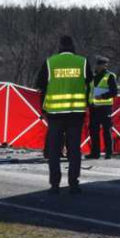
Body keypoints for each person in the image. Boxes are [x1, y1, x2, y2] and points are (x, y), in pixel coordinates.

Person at [37, 35, 91, 195]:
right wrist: (88, 104)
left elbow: (40, 86)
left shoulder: (50, 62)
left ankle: (55, 185)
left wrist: (43, 108)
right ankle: (73, 184)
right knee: (74, 149)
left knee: (54, 150)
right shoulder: (83, 62)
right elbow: (91, 86)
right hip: (76, 113)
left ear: (59, 46)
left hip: (55, 114)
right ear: (73, 46)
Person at [86, 56, 119, 160]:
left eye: (102, 64)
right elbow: (89, 91)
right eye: (98, 64)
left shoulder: (110, 76)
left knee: (106, 130)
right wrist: (88, 103)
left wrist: (102, 96)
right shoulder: (93, 76)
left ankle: (109, 152)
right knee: (93, 130)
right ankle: (95, 153)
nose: (100, 66)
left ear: (106, 65)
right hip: (94, 107)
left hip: (105, 107)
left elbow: (114, 92)